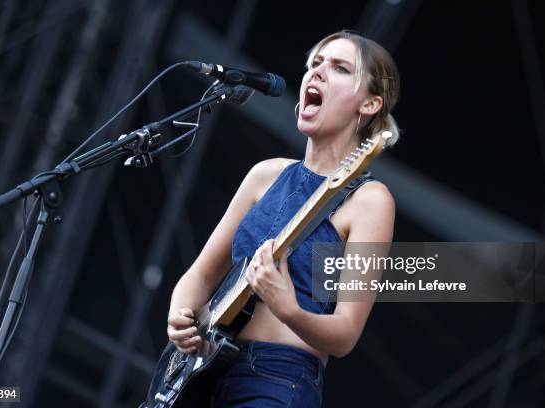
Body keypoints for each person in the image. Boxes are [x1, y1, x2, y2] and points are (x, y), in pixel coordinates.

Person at [166, 29, 400, 407]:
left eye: (340, 68)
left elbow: (345, 335)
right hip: (204, 370)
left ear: (370, 105)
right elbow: (200, 275)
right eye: (316, 64)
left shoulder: (369, 199)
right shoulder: (266, 174)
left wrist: (287, 307)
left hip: (278, 380)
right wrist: (180, 316)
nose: (318, 73)